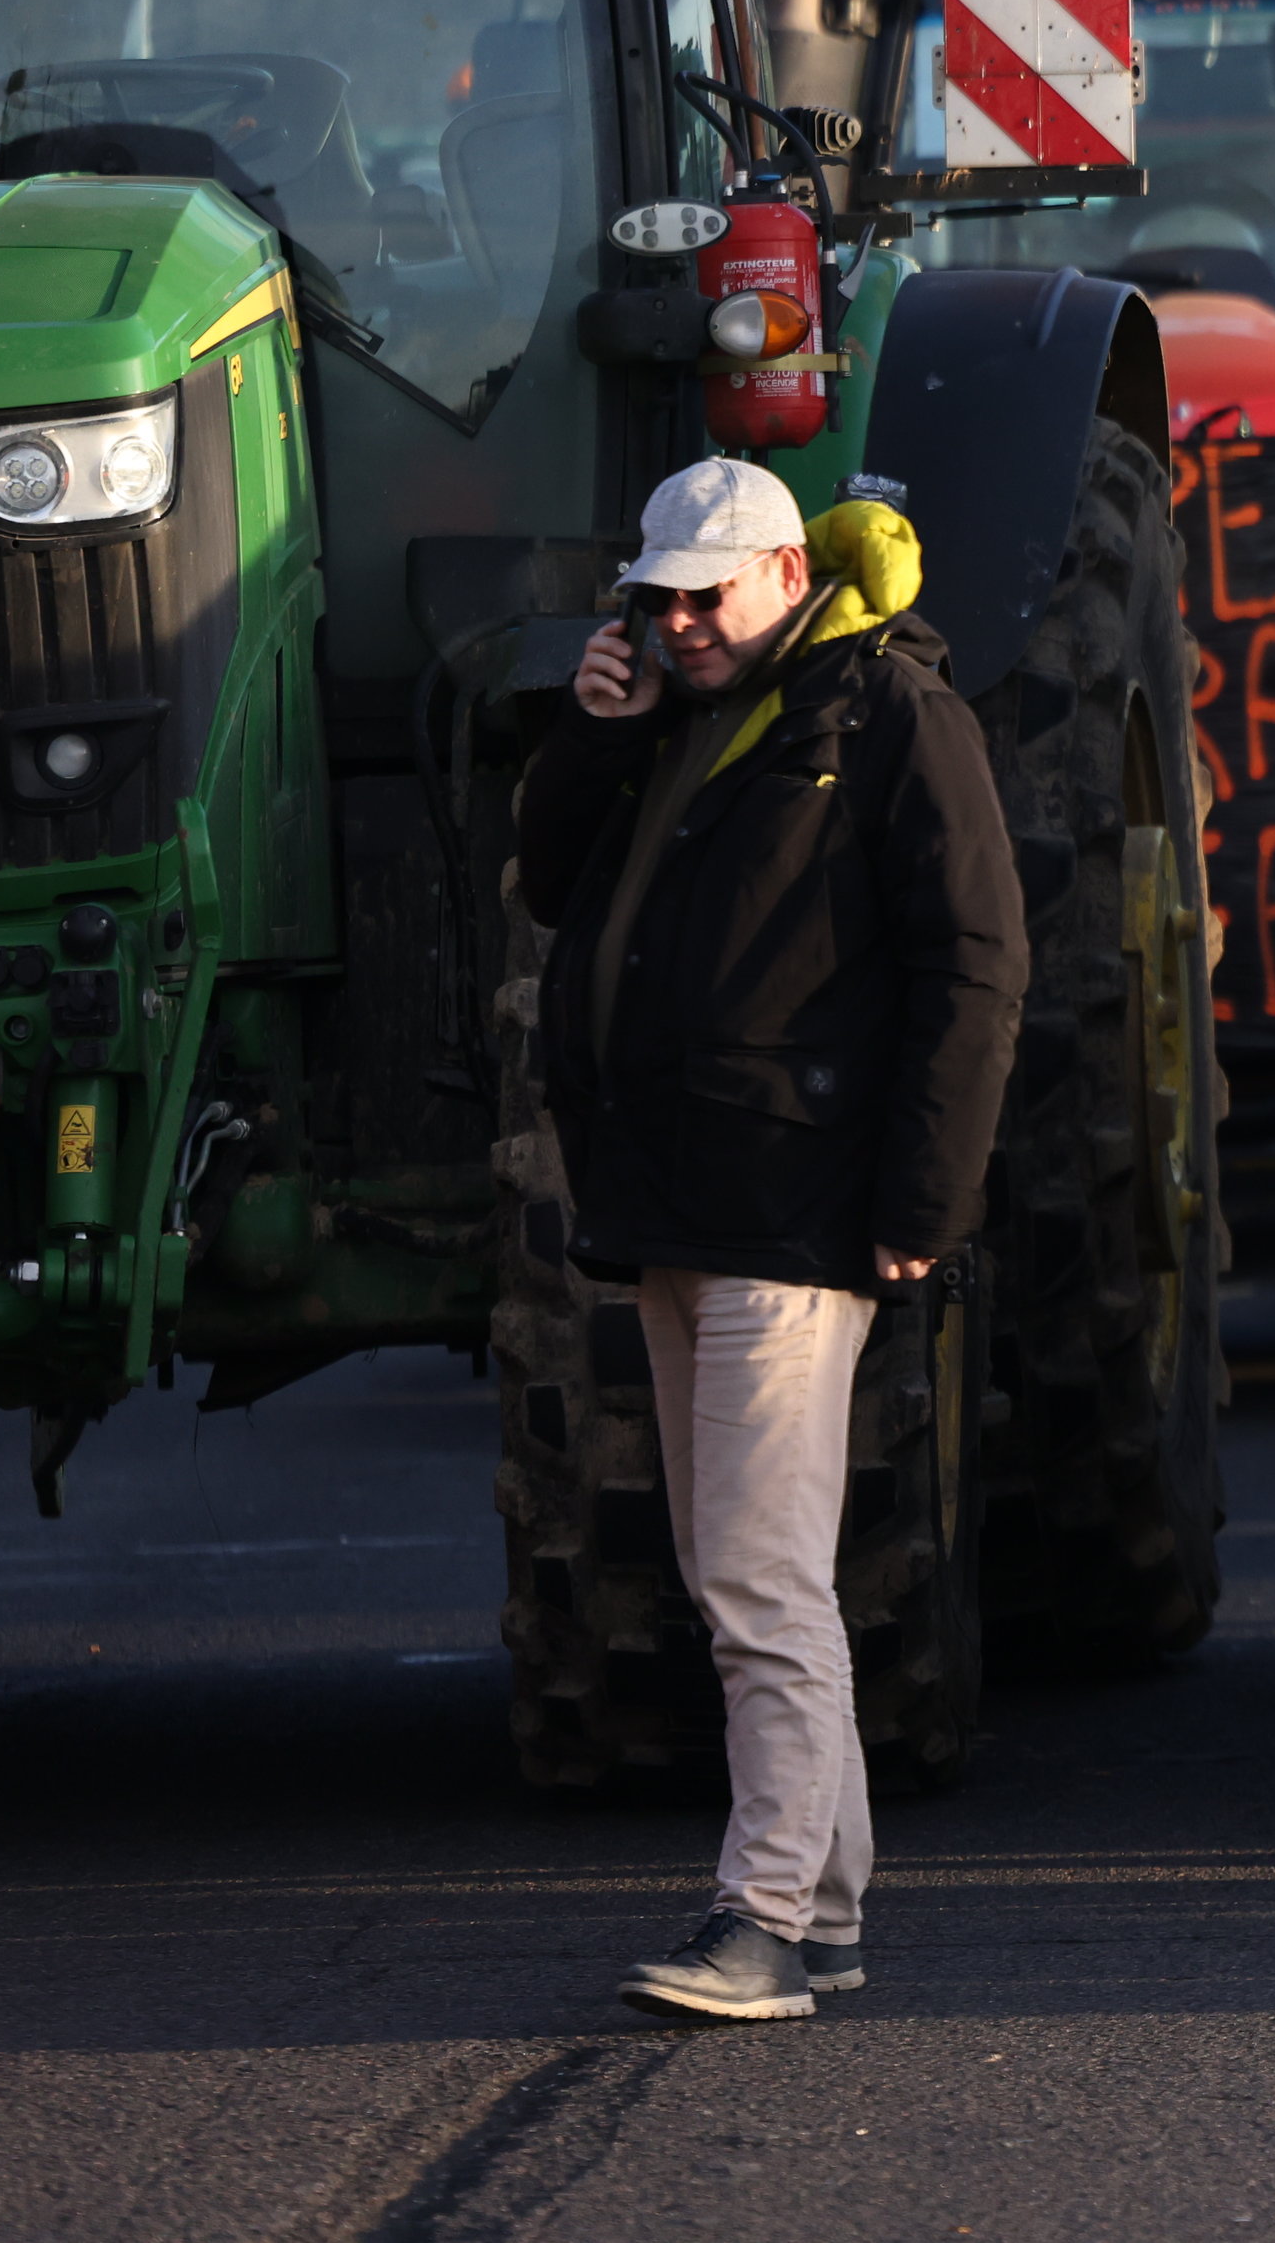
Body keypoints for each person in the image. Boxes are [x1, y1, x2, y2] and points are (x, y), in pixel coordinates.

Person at [518, 457, 1026, 2023]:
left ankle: (763, 1920)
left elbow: (979, 965)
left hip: (791, 1212)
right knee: (735, 1570)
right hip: (679, 1202)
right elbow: (552, 884)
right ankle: (828, 1912)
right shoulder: (679, 713)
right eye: (655, 599)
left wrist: (923, 1207)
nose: (677, 624)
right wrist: (596, 736)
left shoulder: (886, 715)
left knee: (755, 1583)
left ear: (788, 568)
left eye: (703, 596)